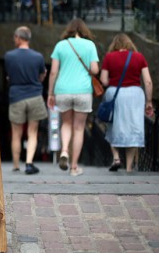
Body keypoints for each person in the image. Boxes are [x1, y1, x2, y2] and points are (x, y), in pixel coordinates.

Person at [46, 18, 99, 176]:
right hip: (83, 90)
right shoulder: (90, 45)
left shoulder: (60, 45)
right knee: (79, 128)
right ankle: (74, 167)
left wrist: (50, 93)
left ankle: (64, 151)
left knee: (66, 124)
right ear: (84, 30)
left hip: (63, 90)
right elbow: (95, 70)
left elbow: (54, 72)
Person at [99, 33, 153, 173]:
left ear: (115, 45)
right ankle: (129, 168)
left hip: (115, 94)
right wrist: (149, 101)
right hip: (135, 95)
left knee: (112, 125)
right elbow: (147, 81)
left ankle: (116, 158)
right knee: (134, 127)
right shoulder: (139, 57)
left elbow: (104, 80)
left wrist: (113, 80)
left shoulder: (109, 57)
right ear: (129, 44)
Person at [4, 26, 48, 175]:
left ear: (18, 37)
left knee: (16, 134)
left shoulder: (9, 56)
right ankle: (29, 163)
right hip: (35, 96)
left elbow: (8, 76)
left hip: (16, 97)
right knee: (32, 132)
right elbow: (42, 76)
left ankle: (16, 164)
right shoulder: (38, 57)